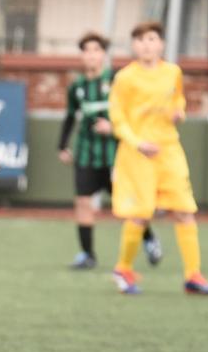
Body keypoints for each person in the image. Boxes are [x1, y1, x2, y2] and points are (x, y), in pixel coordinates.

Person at [108, 21, 208, 295]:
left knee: (184, 210)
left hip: (169, 150)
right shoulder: (125, 78)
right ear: (134, 45)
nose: (146, 44)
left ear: (161, 44)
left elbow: (178, 100)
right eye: (140, 39)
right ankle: (123, 269)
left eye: (152, 39)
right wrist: (138, 143)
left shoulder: (172, 72)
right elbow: (117, 119)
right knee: (140, 213)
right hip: (137, 154)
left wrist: (179, 112)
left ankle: (193, 275)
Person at [58, 32, 161, 270]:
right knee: (83, 201)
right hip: (86, 152)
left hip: (117, 154)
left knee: (129, 206)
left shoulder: (118, 80)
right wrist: (62, 145)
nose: (91, 55)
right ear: (82, 56)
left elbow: (134, 115)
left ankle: (149, 239)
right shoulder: (77, 87)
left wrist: (112, 128)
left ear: (103, 54)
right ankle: (87, 254)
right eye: (87, 51)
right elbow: (70, 117)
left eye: (96, 50)